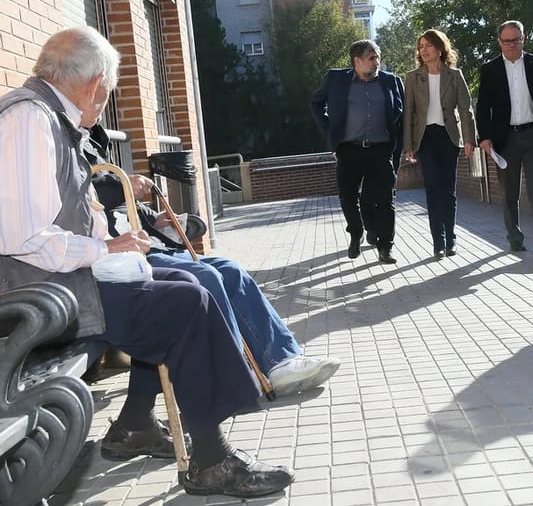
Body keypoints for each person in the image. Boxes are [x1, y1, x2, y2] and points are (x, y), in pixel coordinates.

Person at [0, 26, 294, 498]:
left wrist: (114, 242)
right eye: (108, 94)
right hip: (39, 297)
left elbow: (61, 217)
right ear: (96, 84)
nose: (104, 105)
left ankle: (147, 425)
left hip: (56, 281)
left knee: (188, 282)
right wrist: (105, 250)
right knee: (183, 305)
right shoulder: (30, 119)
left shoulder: (47, 117)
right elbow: (23, 235)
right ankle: (212, 460)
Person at [84, 124, 341, 396]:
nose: (101, 106)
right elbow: (80, 195)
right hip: (119, 260)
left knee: (231, 270)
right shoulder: (63, 142)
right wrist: (121, 184)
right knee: (205, 277)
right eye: (98, 100)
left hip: (145, 245)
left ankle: (281, 361)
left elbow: (122, 209)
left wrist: (155, 219)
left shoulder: (92, 139)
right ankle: (234, 376)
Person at [309, 39, 404, 264]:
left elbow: (401, 112)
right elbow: (315, 103)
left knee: (385, 200)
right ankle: (356, 231)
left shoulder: (390, 80)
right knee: (348, 197)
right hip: (349, 150)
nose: (376, 62)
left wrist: (400, 146)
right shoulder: (336, 79)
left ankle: (385, 247)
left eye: (378, 57)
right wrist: (330, 132)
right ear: (357, 61)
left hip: (380, 150)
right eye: (371, 58)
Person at [475, 20, 533, 256]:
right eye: (507, 41)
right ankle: (514, 238)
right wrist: (485, 137)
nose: (511, 45)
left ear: (524, 38)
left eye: (516, 40)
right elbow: (483, 107)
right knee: (510, 193)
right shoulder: (489, 69)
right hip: (505, 139)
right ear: (499, 42)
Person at [403, 29, 477, 259]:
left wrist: (469, 139)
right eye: (421, 46)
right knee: (433, 189)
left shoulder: (454, 75)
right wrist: (408, 145)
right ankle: (438, 242)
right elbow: (408, 113)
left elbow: (465, 109)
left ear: (440, 48)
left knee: (448, 190)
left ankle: (451, 238)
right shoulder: (413, 77)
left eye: (428, 45)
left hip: (448, 137)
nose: (424, 50)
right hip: (425, 139)